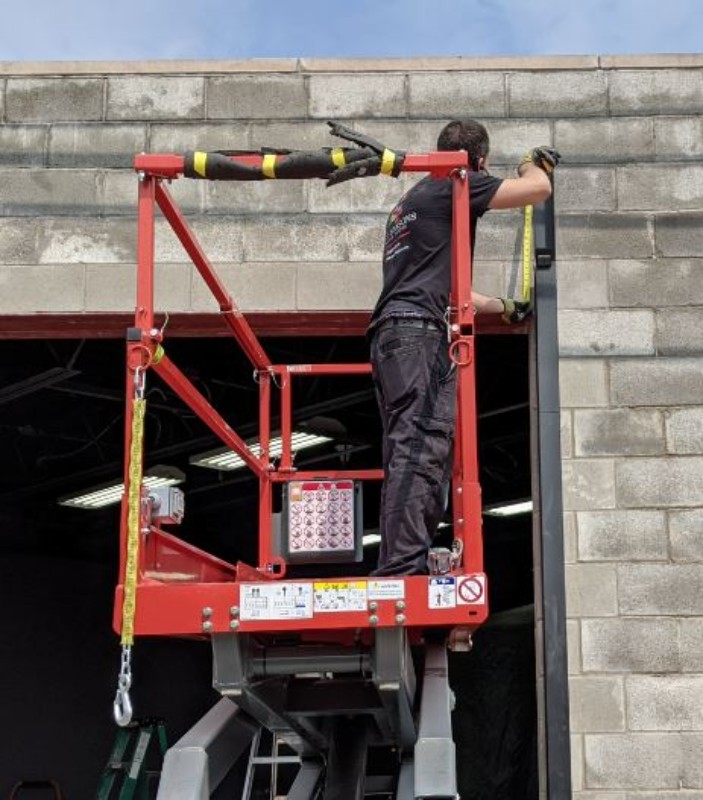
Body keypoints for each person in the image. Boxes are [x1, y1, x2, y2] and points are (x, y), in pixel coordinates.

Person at [368, 119, 559, 576]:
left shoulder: (410, 203)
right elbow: (537, 190)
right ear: (476, 161)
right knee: (422, 446)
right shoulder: (454, 184)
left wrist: (503, 306)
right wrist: (532, 164)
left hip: (395, 333)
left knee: (410, 449)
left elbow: (450, 287)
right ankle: (400, 568)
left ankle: (402, 559)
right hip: (418, 335)